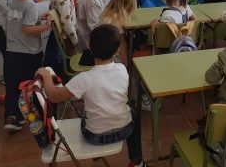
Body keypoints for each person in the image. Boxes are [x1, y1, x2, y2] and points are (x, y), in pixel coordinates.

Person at [35, 24, 148, 167]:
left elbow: (54, 96)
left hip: (95, 137)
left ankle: (98, 154)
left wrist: (45, 74)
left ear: (89, 47)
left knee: (85, 111)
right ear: (117, 50)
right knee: (134, 114)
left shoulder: (84, 78)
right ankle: (137, 162)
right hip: (124, 130)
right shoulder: (122, 69)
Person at [3, 0, 53, 131]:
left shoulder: (14, 3)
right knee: (29, 86)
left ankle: (11, 116)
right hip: (29, 54)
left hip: (11, 52)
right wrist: (46, 26)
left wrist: (40, 16)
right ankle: (30, 115)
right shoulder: (30, 7)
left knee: (11, 85)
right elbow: (27, 29)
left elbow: (23, 20)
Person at [100, 0, 137, 64]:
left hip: (106, 52)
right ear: (130, 1)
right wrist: (125, 64)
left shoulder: (111, 11)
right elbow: (121, 42)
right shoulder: (116, 18)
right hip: (113, 57)